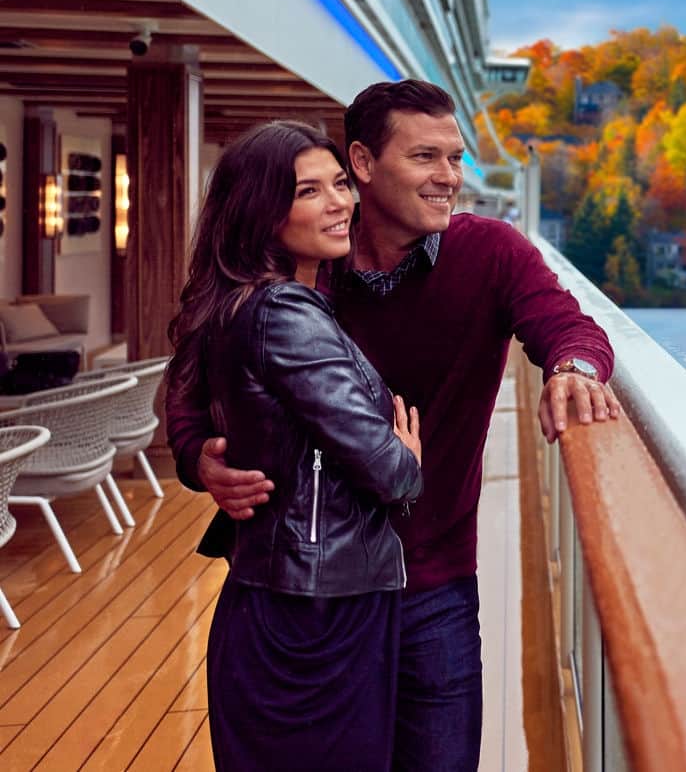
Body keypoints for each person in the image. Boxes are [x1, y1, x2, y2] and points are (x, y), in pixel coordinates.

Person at [168, 80, 622, 771]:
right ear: (363, 161)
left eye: (456, 158)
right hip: (314, 598)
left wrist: (574, 370)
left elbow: (569, 327)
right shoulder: (303, 265)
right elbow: (193, 379)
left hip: (432, 582)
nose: (450, 177)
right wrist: (198, 455)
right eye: (425, 157)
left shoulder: (491, 253)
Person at [166, 121, 424, 769]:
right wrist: (407, 456)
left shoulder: (249, 300)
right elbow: (390, 473)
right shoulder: (284, 312)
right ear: (261, 211)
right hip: (315, 617)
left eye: (339, 184)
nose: (339, 203)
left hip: (282, 599)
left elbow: (186, 405)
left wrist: (198, 456)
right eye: (309, 191)